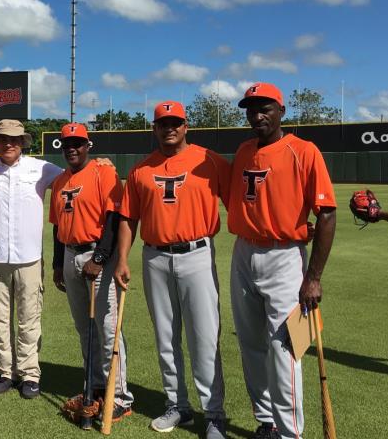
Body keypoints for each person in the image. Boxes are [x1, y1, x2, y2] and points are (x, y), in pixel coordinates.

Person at [227, 82, 336, 439]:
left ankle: (290, 434)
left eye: (265, 108)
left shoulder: (303, 151)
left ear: (281, 112)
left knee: (283, 347)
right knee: (250, 342)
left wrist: (314, 277)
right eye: (251, 108)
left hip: (284, 256)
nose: (257, 115)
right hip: (244, 252)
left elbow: (327, 215)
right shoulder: (243, 151)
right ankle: (267, 421)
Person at [115, 102, 228, 438]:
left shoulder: (210, 161)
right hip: (155, 257)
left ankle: (213, 414)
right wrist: (122, 258)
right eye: (163, 123)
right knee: (166, 337)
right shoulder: (140, 169)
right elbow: (127, 218)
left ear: (186, 126)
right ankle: (177, 405)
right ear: (154, 127)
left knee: (204, 337)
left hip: (197, 254)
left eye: (175, 122)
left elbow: (244, 196)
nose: (169, 128)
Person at [0, 119, 63, 398]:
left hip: (29, 257)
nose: (9, 143)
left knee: (29, 318)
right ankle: (6, 372)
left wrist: (99, 163)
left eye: (15, 139)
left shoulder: (41, 168)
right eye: (3, 139)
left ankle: (30, 374)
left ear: (22, 143)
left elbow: (73, 178)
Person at [50, 123, 134, 423]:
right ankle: (97, 387)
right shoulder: (60, 181)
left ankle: (120, 396)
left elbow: (114, 218)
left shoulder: (103, 172)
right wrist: (58, 263)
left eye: (78, 143)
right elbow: (58, 227)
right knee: (85, 329)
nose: (72, 148)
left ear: (88, 145)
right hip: (71, 254)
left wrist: (99, 258)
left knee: (107, 327)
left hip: (96, 255)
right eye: (67, 143)